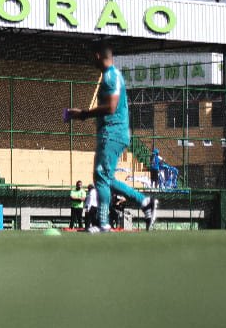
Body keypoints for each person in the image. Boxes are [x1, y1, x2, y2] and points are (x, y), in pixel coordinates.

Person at [65, 41, 158, 233]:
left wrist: (83, 114)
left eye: (92, 55)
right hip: (113, 132)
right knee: (107, 178)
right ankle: (145, 202)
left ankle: (103, 223)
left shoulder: (110, 77)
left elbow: (111, 107)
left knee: (100, 176)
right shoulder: (112, 75)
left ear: (97, 55)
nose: (92, 59)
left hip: (113, 132)